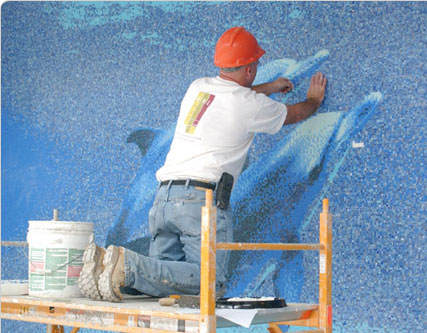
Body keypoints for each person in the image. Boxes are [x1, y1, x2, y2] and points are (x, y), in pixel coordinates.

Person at [78, 26, 327, 302]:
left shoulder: (198, 88)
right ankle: (125, 265)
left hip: (163, 200)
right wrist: (314, 100)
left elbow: (231, 96)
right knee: (209, 283)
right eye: (256, 64)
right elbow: (294, 114)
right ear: (248, 70)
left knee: (165, 283)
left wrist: (267, 87)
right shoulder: (250, 105)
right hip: (200, 202)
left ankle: (110, 265)